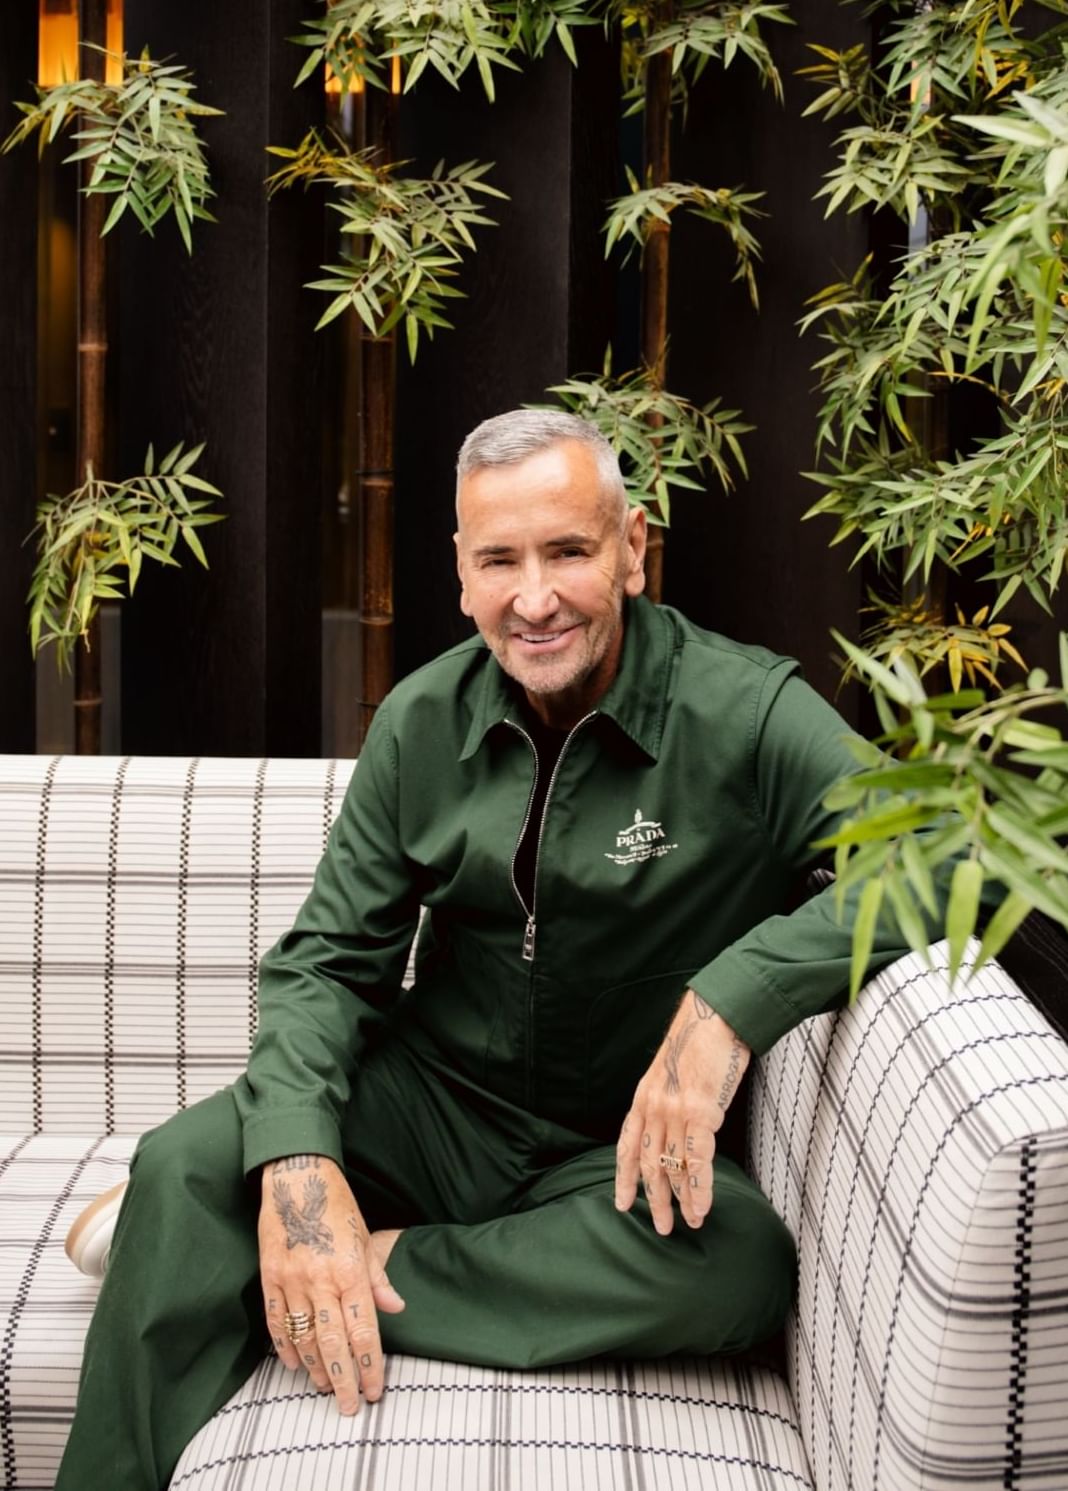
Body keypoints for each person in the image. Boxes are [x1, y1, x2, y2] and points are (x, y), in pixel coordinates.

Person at [57, 409, 912, 1491]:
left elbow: (930, 850)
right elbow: (328, 961)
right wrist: (305, 1166)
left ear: (633, 549)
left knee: (738, 1265)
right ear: (461, 576)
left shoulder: (748, 714)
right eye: (499, 560)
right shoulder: (422, 720)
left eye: (569, 551)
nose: (535, 597)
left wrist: (730, 1002)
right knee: (183, 1165)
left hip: (613, 1145)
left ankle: (352, 1266)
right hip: (433, 1105)